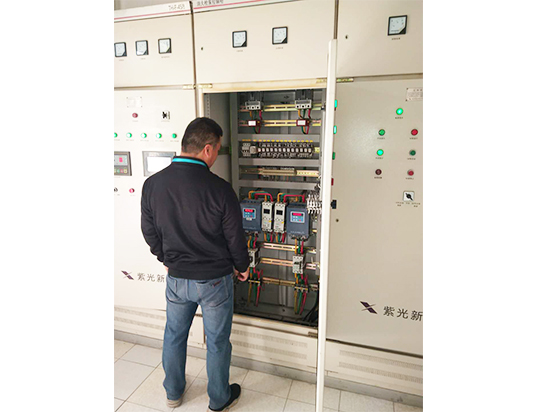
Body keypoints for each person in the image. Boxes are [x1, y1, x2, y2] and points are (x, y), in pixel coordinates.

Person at [141, 117, 250, 411]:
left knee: (174, 336)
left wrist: (166, 259)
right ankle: (218, 399)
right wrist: (242, 266)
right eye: (217, 150)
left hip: (177, 279)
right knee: (217, 342)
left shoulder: (153, 185)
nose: (215, 157)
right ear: (207, 149)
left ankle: (173, 393)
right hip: (214, 282)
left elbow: (149, 231)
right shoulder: (220, 189)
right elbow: (235, 238)